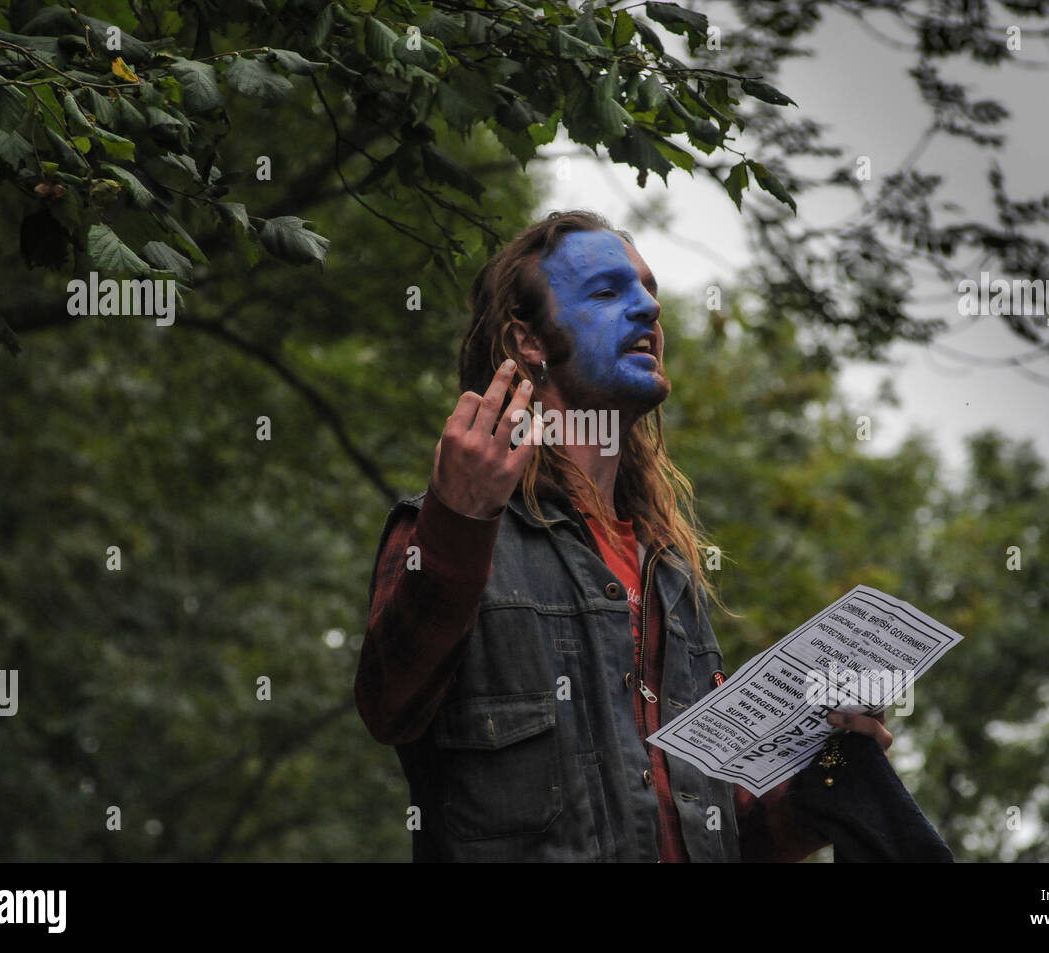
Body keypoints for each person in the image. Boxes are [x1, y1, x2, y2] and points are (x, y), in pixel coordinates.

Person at [355, 209, 892, 862]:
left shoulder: (671, 577)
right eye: (609, 292)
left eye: (648, 290)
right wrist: (461, 519)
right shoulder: (453, 533)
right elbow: (389, 702)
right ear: (529, 342)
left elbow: (722, 834)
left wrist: (822, 782)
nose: (647, 309)